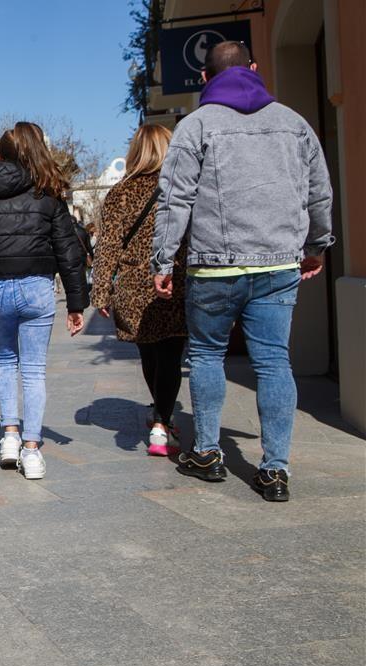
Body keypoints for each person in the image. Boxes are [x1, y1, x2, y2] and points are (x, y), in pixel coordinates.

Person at [151, 42, 333, 502]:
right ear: (253, 70)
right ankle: (274, 470)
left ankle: (208, 453)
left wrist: (163, 259)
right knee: (273, 361)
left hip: (214, 267)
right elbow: (319, 193)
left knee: (208, 356)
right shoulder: (295, 124)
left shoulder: (195, 126)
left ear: (205, 79)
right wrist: (316, 245)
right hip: (277, 263)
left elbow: (174, 199)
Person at [0, 122, 88, 480]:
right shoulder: (48, 195)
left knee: (4, 362)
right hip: (37, 289)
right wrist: (77, 304)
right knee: (32, 370)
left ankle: (9, 437)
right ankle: (32, 450)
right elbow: (68, 252)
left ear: (0, 156)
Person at [92, 124, 187, 456]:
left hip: (134, 285)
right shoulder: (182, 186)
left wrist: (101, 291)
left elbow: (108, 247)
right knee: (172, 354)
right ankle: (162, 423)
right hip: (175, 281)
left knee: (150, 353)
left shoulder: (120, 192)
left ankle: (161, 418)